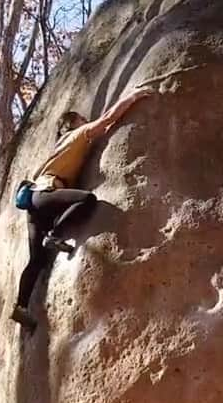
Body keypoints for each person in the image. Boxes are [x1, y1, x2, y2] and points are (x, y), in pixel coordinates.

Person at [11, 86, 153, 333]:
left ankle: (21, 307)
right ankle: (54, 235)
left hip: (35, 203)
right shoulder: (77, 135)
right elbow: (107, 120)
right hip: (46, 194)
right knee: (86, 200)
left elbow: (104, 129)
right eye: (82, 119)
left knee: (37, 260)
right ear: (73, 124)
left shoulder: (58, 148)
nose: (86, 121)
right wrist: (133, 96)